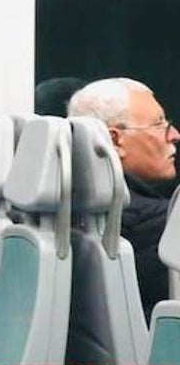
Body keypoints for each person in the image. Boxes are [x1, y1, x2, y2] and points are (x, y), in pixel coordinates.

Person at [68, 77, 180, 316]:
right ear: (116, 140)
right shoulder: (160, 224)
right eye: (159, 124)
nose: (174, 135)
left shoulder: (67, 214)